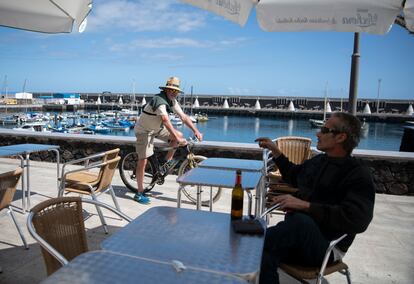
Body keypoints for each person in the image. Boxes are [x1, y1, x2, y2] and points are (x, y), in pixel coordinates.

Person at [255, 112, 375, 284]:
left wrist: (305, 205)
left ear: (341, 137)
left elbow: (358, 219)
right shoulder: (319, 161)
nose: (318, 133)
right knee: (263, 253)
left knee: (299, 224)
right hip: (296, 238)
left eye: (325, 130)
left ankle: (251, 237)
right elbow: (293, 175)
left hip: (327, 247)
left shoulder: (358, 173)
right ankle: (254, 240)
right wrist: (275, 151)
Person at [133, 76, 203, 204]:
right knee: (142, 161)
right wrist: (176, 137)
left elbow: (183, 117)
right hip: (144, 131)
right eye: (171, 90)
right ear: (166, 90)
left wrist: (196, 130)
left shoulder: (172, 101)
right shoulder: (159, 100)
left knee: (179, 135)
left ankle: (166, 163)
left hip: (156, 129)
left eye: (175, 91)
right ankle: (139, 192)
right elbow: (165, 120)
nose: (173, 92)